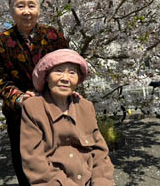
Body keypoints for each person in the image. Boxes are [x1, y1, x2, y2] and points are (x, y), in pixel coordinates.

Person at [0, 0, 68, 185]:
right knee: (26, 166)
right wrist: (20, 97)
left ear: (39, 9)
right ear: (11, 11)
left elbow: (67, 69)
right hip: (19, 114)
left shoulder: (54, 36)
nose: (26, 11)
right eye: (20, 6)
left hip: (53, 109)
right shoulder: (1, 41)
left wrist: (51, 93)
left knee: (58, 161)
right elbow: (0, 78)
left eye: (31, 5)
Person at [20, 49, 114, 186]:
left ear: (78, 79)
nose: (65, 78)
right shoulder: (33, 107)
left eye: (72, 73)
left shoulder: (85, 106)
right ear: (46, 77)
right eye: (58, 71)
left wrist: (102, 181)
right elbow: (34, 162)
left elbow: (100, 153)